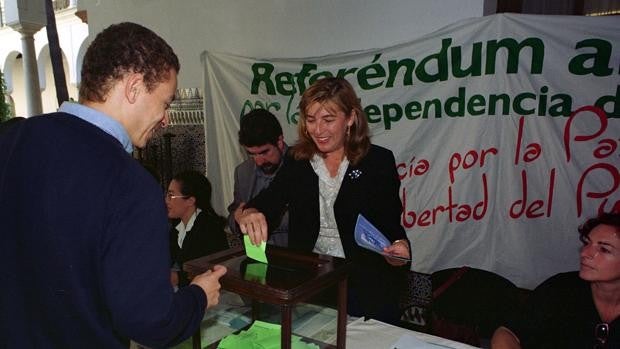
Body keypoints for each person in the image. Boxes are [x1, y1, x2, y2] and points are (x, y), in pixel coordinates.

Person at [0, 22, 226, 348]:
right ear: (134, 87)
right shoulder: (132, 187)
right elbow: (150, 322)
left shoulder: (12, 139)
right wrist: (199, 296)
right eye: (165, 103)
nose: (165, 119)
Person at [236, 77, 411, 324]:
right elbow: (268, 201)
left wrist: (399, 248)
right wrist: (251, 211)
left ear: (350, 118)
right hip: (311, 286)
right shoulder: (298, 161)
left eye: (328, 119)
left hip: (365, 287)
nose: (318, 130)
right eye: (311, 120)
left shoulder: (378, 162)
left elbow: (391, 225)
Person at [491, 212, 620, 349]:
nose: (584, 253)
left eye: (604, 249)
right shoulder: (562, 288)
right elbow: (507, 333)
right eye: (587, 243)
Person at [228, 108, 289, 247]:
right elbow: (233, 215)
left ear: (279, 141)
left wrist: (256, 214)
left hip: (296, 257)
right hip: (255, 258)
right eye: (252, 154)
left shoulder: (300, 165)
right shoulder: (243, 172)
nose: (259, 161)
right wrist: (238, 218)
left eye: (264, 152)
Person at [168, 170, 230, 288]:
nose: (166, 200)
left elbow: (204, 273)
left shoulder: (208, 229)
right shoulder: (177, 225)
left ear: (190, 201)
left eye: (171, 195)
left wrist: (173, 277)